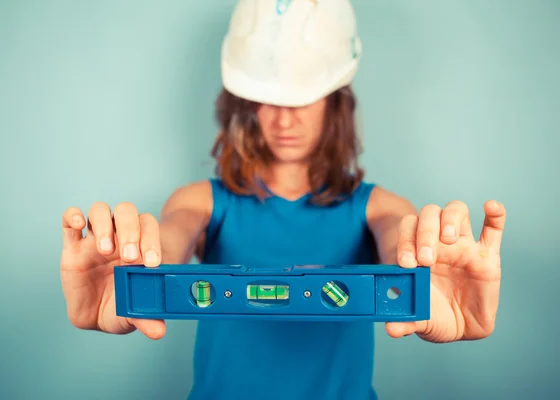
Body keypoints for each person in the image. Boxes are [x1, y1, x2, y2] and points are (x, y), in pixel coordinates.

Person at [60, 0, 507, 399]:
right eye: (265, 98)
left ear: (336, 103)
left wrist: (424, 280)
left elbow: (403, 249)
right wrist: (135, 268)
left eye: (303, 97)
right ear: (243, 106)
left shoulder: (381, 208)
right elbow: (169, 241)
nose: (283, 118)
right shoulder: (200, 201)